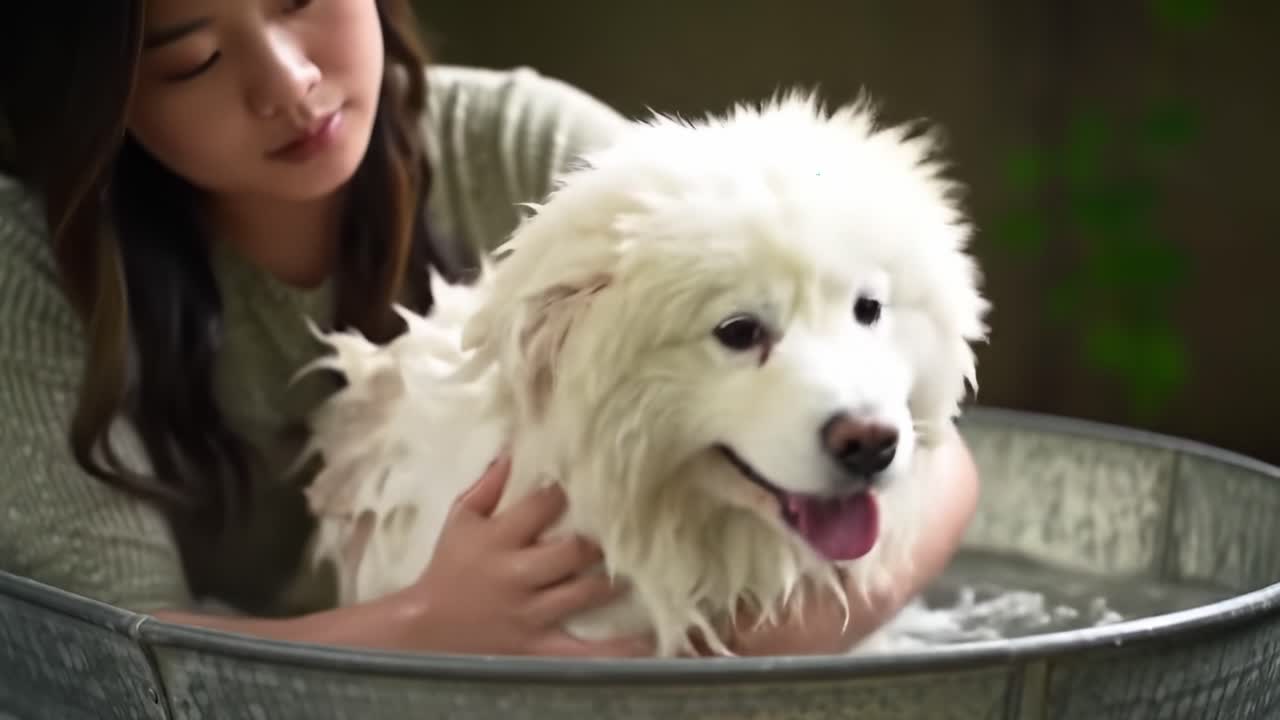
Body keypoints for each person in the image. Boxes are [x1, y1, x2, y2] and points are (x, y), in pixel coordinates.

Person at [0, 0, 980, 658]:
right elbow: (98, 658)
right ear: (103, 94)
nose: (289, 83)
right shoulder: (37, 265)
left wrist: (679, 660)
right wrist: (426, 627)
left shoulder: (532, 146)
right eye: (195, 60)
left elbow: (946, 464)